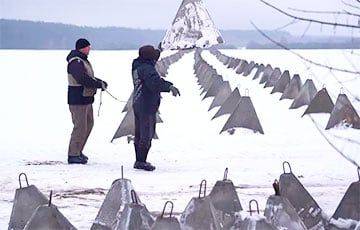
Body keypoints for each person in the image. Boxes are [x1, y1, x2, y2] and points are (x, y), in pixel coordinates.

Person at [132, 45, 180, 171]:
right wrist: (169, 87)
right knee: (146, 134)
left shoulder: (138, 64)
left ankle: (139, 159)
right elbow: (154, 83)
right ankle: (141, 161)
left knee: (139, 133)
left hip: (138, 102)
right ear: (149, 57)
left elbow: (152, 58)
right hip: (146, 104)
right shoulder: (147, 69)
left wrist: (160, 49)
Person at [66, 38, 108, 164]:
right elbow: (82, 79)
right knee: (80, 127)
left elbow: (89, 77)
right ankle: (73, 154)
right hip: (78, 99)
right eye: (88, 47)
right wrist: (97, 84)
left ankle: (78, 151)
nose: (90, 49)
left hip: (86, 99)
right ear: (82, 48)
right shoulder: (75, 62)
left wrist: (99, 82)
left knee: (88, 125)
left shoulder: (83, 61)